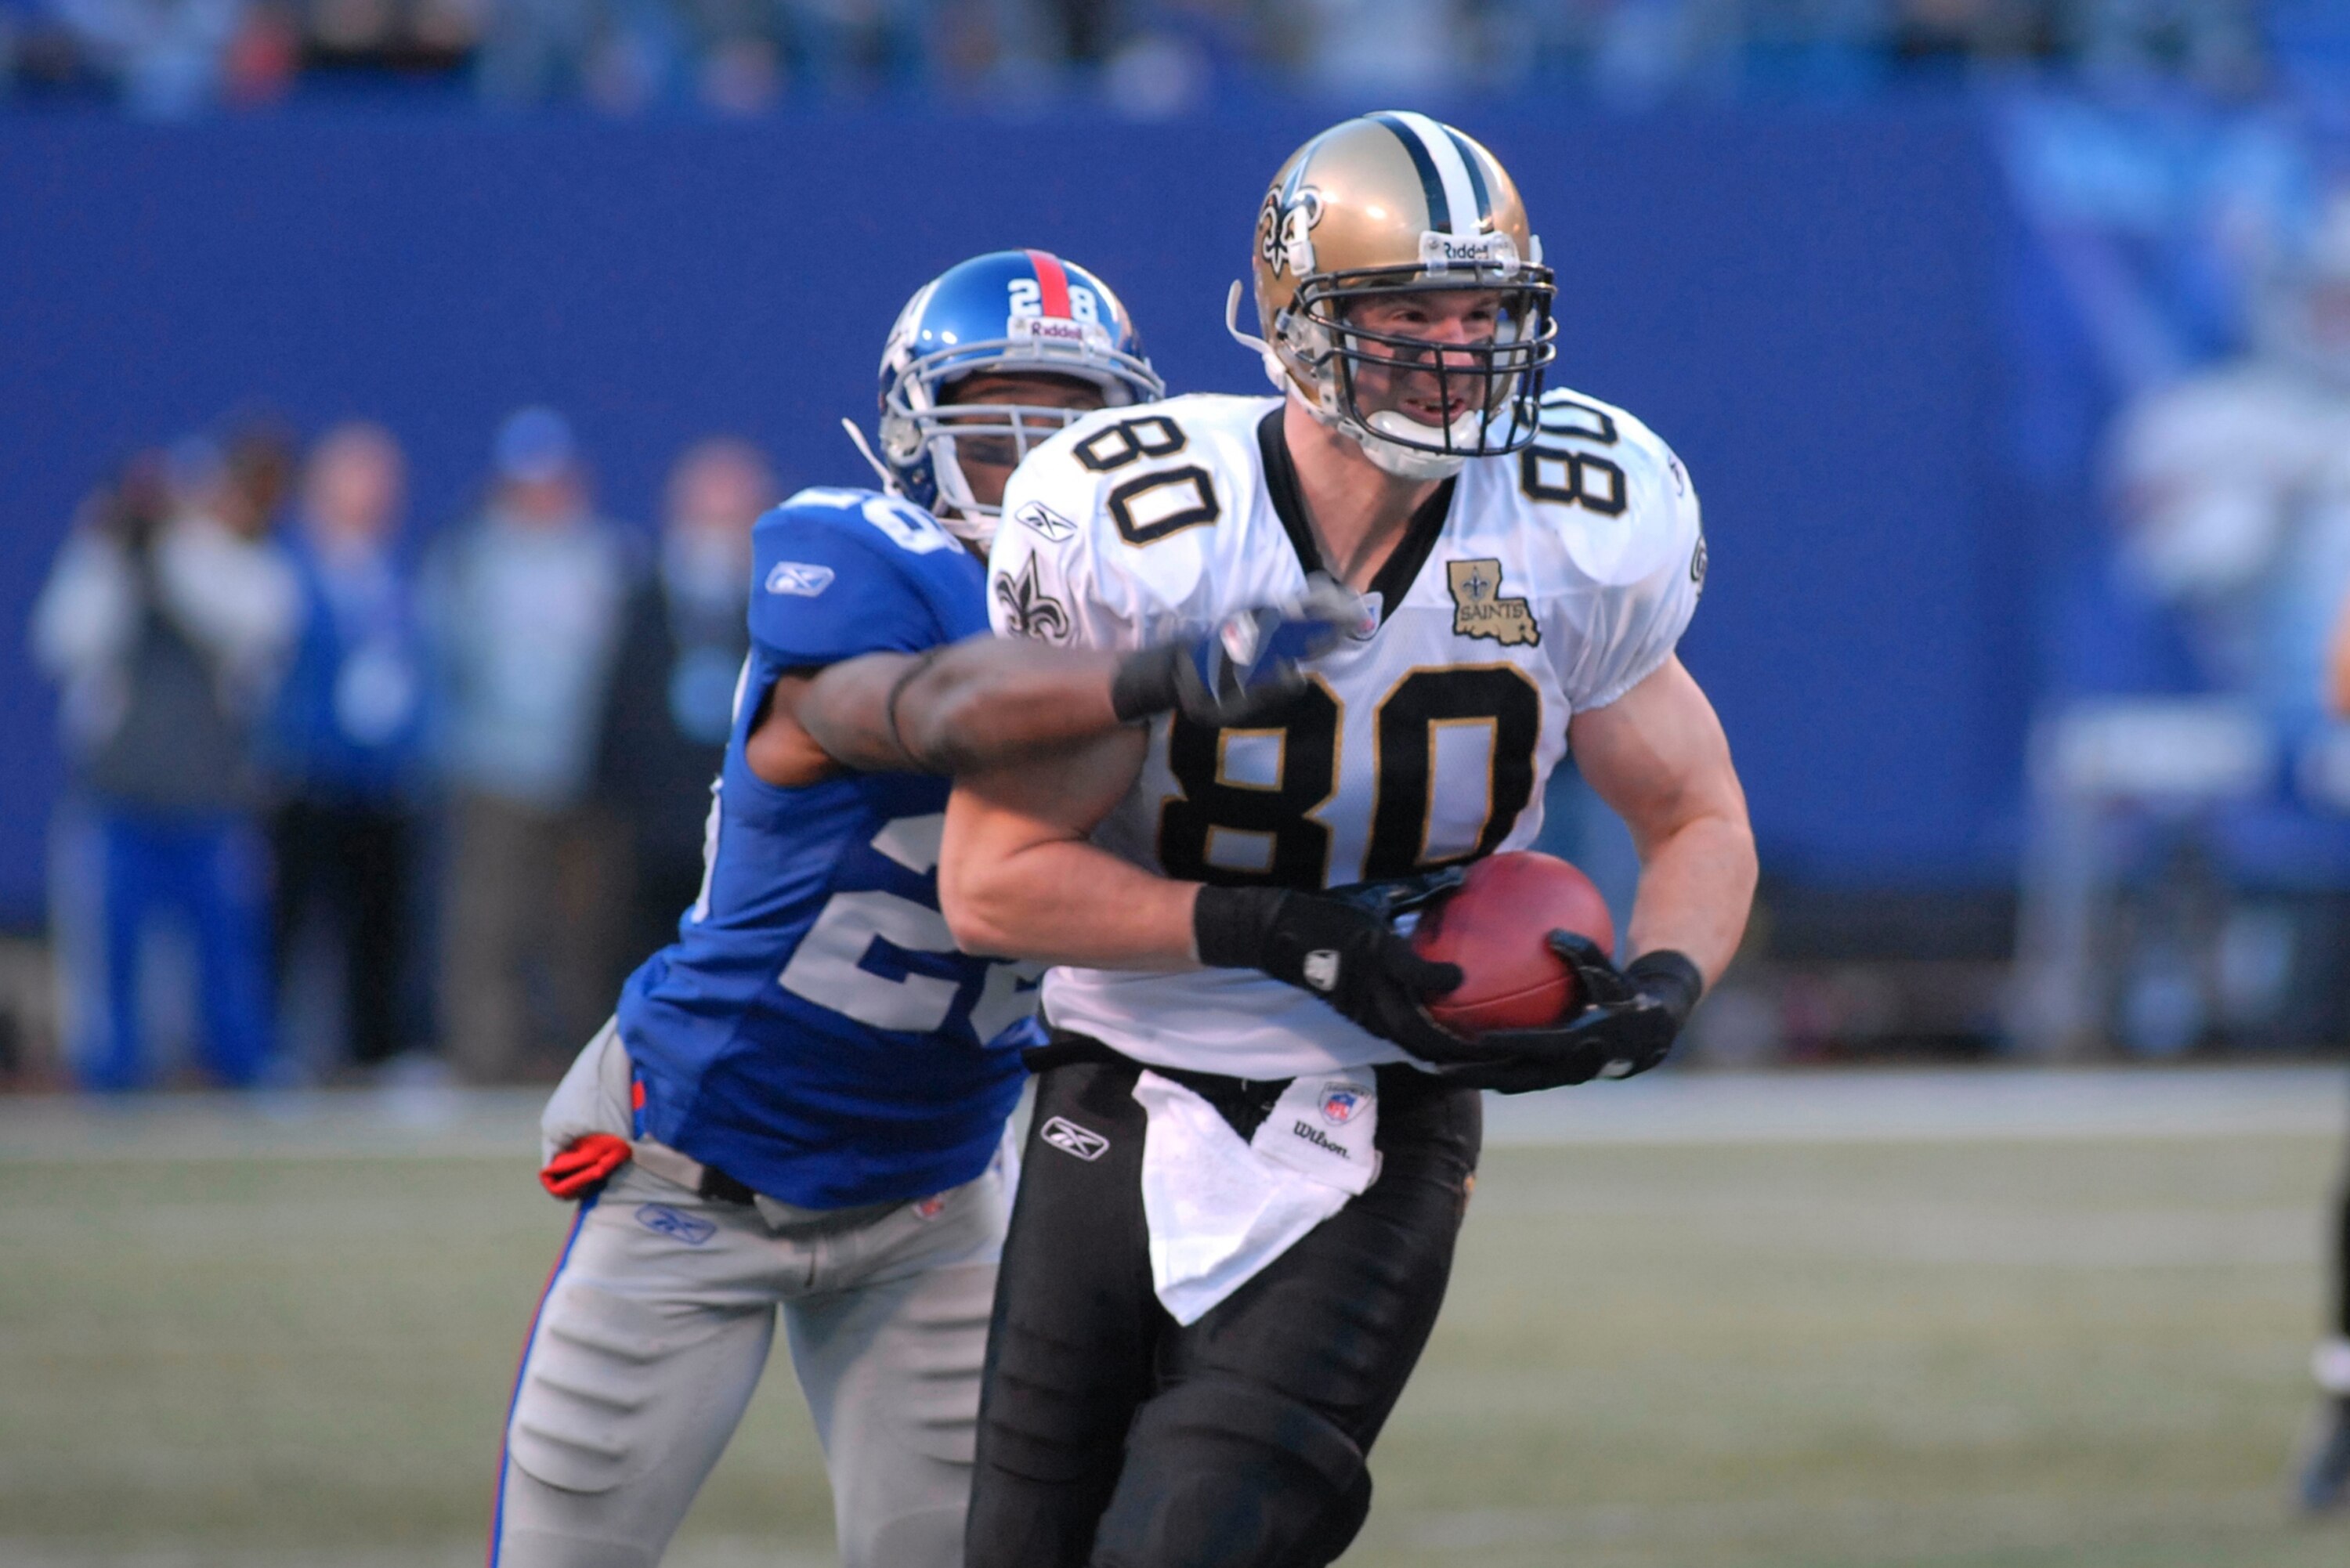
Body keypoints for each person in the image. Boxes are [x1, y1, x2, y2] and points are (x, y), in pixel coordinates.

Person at [938, 113, 1757, 1567]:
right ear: (1298, 320)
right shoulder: (1146, 528)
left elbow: (1693, 812)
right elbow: (992, 881)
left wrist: (1666, 984)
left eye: (1484, 311)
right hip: (1119, 1075)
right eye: (1407, 313)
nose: (1456, 350)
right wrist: (1286, 935)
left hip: (1382, 1103)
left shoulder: (1577, 520)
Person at [492, 249, 1347, 1568]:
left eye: (1076, 431)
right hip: (697, 1175)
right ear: (915, 440)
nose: (1046, 471)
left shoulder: (1154, 601)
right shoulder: (857, 555)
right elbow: (933, 710)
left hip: (936, 1196)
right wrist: (1175, 670)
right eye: (1004, 438)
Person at [32, 433, 299, 1089]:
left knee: (226, 955)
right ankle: (111, 1077)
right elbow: (61, 640)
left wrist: (173, 550)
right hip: (120, 797)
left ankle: (242, 1069)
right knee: (110, 953)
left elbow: (247, 621)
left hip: (211, 799)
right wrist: (108, 552)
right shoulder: (111, 563)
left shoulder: (242, 567)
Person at [426, 406, 634, 1081]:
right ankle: (485, 1057)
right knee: (490, 922)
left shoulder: (604, 558)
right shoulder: (472, 559)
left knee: (581, 926)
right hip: (496, 767)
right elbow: (443, 659)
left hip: (585, 772)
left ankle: (581, 1061)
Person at [262, 420, 432, 1076]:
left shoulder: (396, 568)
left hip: (383, 777)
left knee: (381, 924)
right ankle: (275, 1052)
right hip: (308, 775)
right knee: (295, 921)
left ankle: (379, 1052)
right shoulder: (288, 565)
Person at [592, 437, 776, 984]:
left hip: (750, 823)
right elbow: (617, 710)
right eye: (705, 518)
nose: (715, 538)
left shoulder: (783, 611)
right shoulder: (641, 603)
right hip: (653, 831)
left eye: (731, 519)